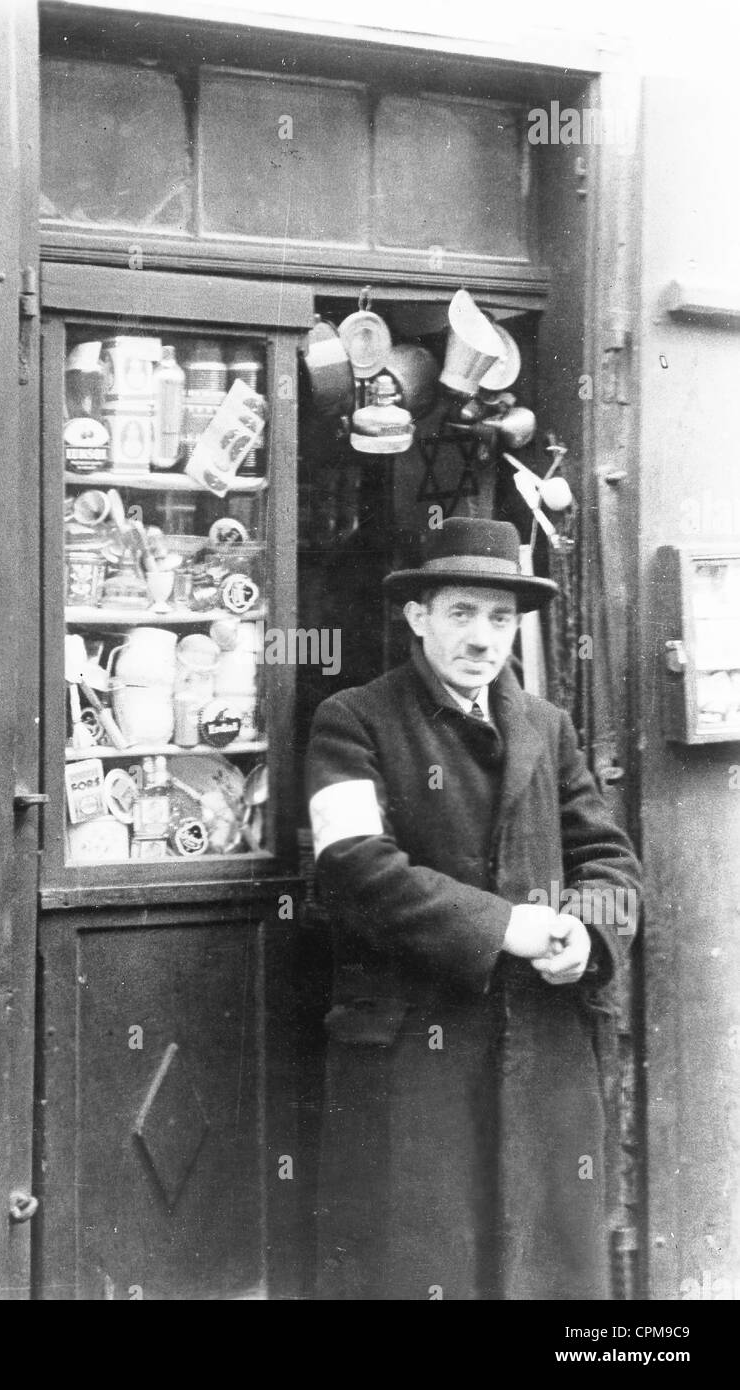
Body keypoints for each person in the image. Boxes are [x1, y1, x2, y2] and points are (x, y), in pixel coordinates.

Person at [306, 516, 642, 1301]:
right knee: (425, 1265)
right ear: (418, 617)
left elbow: (609, 858)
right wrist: (505, 926)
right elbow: (352, 866)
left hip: (544, 1051)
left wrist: (588, 934)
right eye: (462, 613)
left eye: (500, 618)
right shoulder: (353, 719)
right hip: (415, 1058)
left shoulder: (546, 727)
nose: (483, 638)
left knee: (545, 1268)